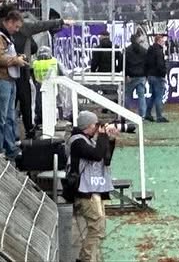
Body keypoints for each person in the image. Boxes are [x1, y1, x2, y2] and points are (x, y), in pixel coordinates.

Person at [66, 111, 118, 262]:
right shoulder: (77, 142)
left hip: (93, 189)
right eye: (96, 124)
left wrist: (111, 140)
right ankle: (86, 258)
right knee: (96, 225)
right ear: (88, 125)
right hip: (84, 191)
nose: (97, 127)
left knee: (99, 227)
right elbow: (96, 155)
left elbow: (105, 159)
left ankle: (88, 257)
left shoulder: (88, 140)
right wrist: (102, 136)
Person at [9, 10, 66, 140]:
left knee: (13, 105)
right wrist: (60, 21)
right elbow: (40, 26)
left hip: (13, 70)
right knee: (25, 102)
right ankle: (27, 129)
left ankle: (15, 134)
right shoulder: (25, 27)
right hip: (21, 69)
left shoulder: (8, 30)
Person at [0, 9, 27, 158]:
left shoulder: (5, 37)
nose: (17, 30)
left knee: (9, 116)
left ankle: (9, 146)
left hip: (8, 80)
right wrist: (14, 60)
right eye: (16, 26)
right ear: (9, 22)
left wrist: (17, 58)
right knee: (0, 116)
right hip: (0, 80)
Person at [144, 33, 169, 123]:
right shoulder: (158, 51)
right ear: (159, 41)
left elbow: (146, 63)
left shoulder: (150, 50)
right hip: (157, 76)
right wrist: (163, 73)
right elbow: (160, 64)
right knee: (158, 96)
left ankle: (147, 113)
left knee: (153, 96)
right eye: (162, 41)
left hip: (150, 75)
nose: (163, 42)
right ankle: (159, 116)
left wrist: (147, 74)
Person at [124, 32, 148, 118]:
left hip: (131, 76)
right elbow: (147, 64)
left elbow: (125, 64)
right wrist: (146, 75)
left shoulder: (127, 50)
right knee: (141, 96)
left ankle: (127, 114)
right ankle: (143, 115)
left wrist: (126, 74)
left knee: (127, 95)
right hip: (141, 76)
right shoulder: (144, 51)